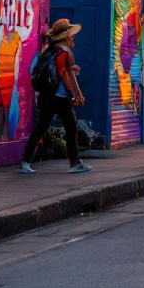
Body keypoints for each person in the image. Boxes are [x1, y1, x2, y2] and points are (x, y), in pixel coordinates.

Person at [21, 18, 92, 174]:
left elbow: (64, 70)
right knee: (71, 127)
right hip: (59, 97)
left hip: (47, 96)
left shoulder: (51, 50)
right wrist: (74, 93)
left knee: (41, 128)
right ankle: (74, 163)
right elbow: (64, 74)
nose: (73, 38)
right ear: (66, 37)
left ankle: (25, 162)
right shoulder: (65, 52)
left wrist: (73, 78)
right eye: (71, 35)